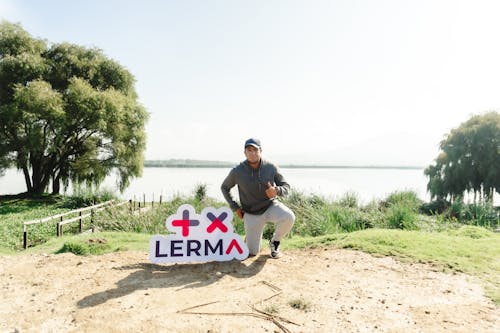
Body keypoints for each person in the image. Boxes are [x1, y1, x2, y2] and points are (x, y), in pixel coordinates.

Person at [221, 138, 295, 259]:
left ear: (260, 151)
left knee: (289, 217)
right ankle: (250, 239)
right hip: (251, 212)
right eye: (249, 150)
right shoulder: (237, 171)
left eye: (255, 150)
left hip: (270, 206)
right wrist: (235, 207)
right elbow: (224, 187)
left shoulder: (271, 167)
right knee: (252, 252)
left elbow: (286, 187)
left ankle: (275, 242)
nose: (252, 153)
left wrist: (276, 190)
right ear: (245, 153)